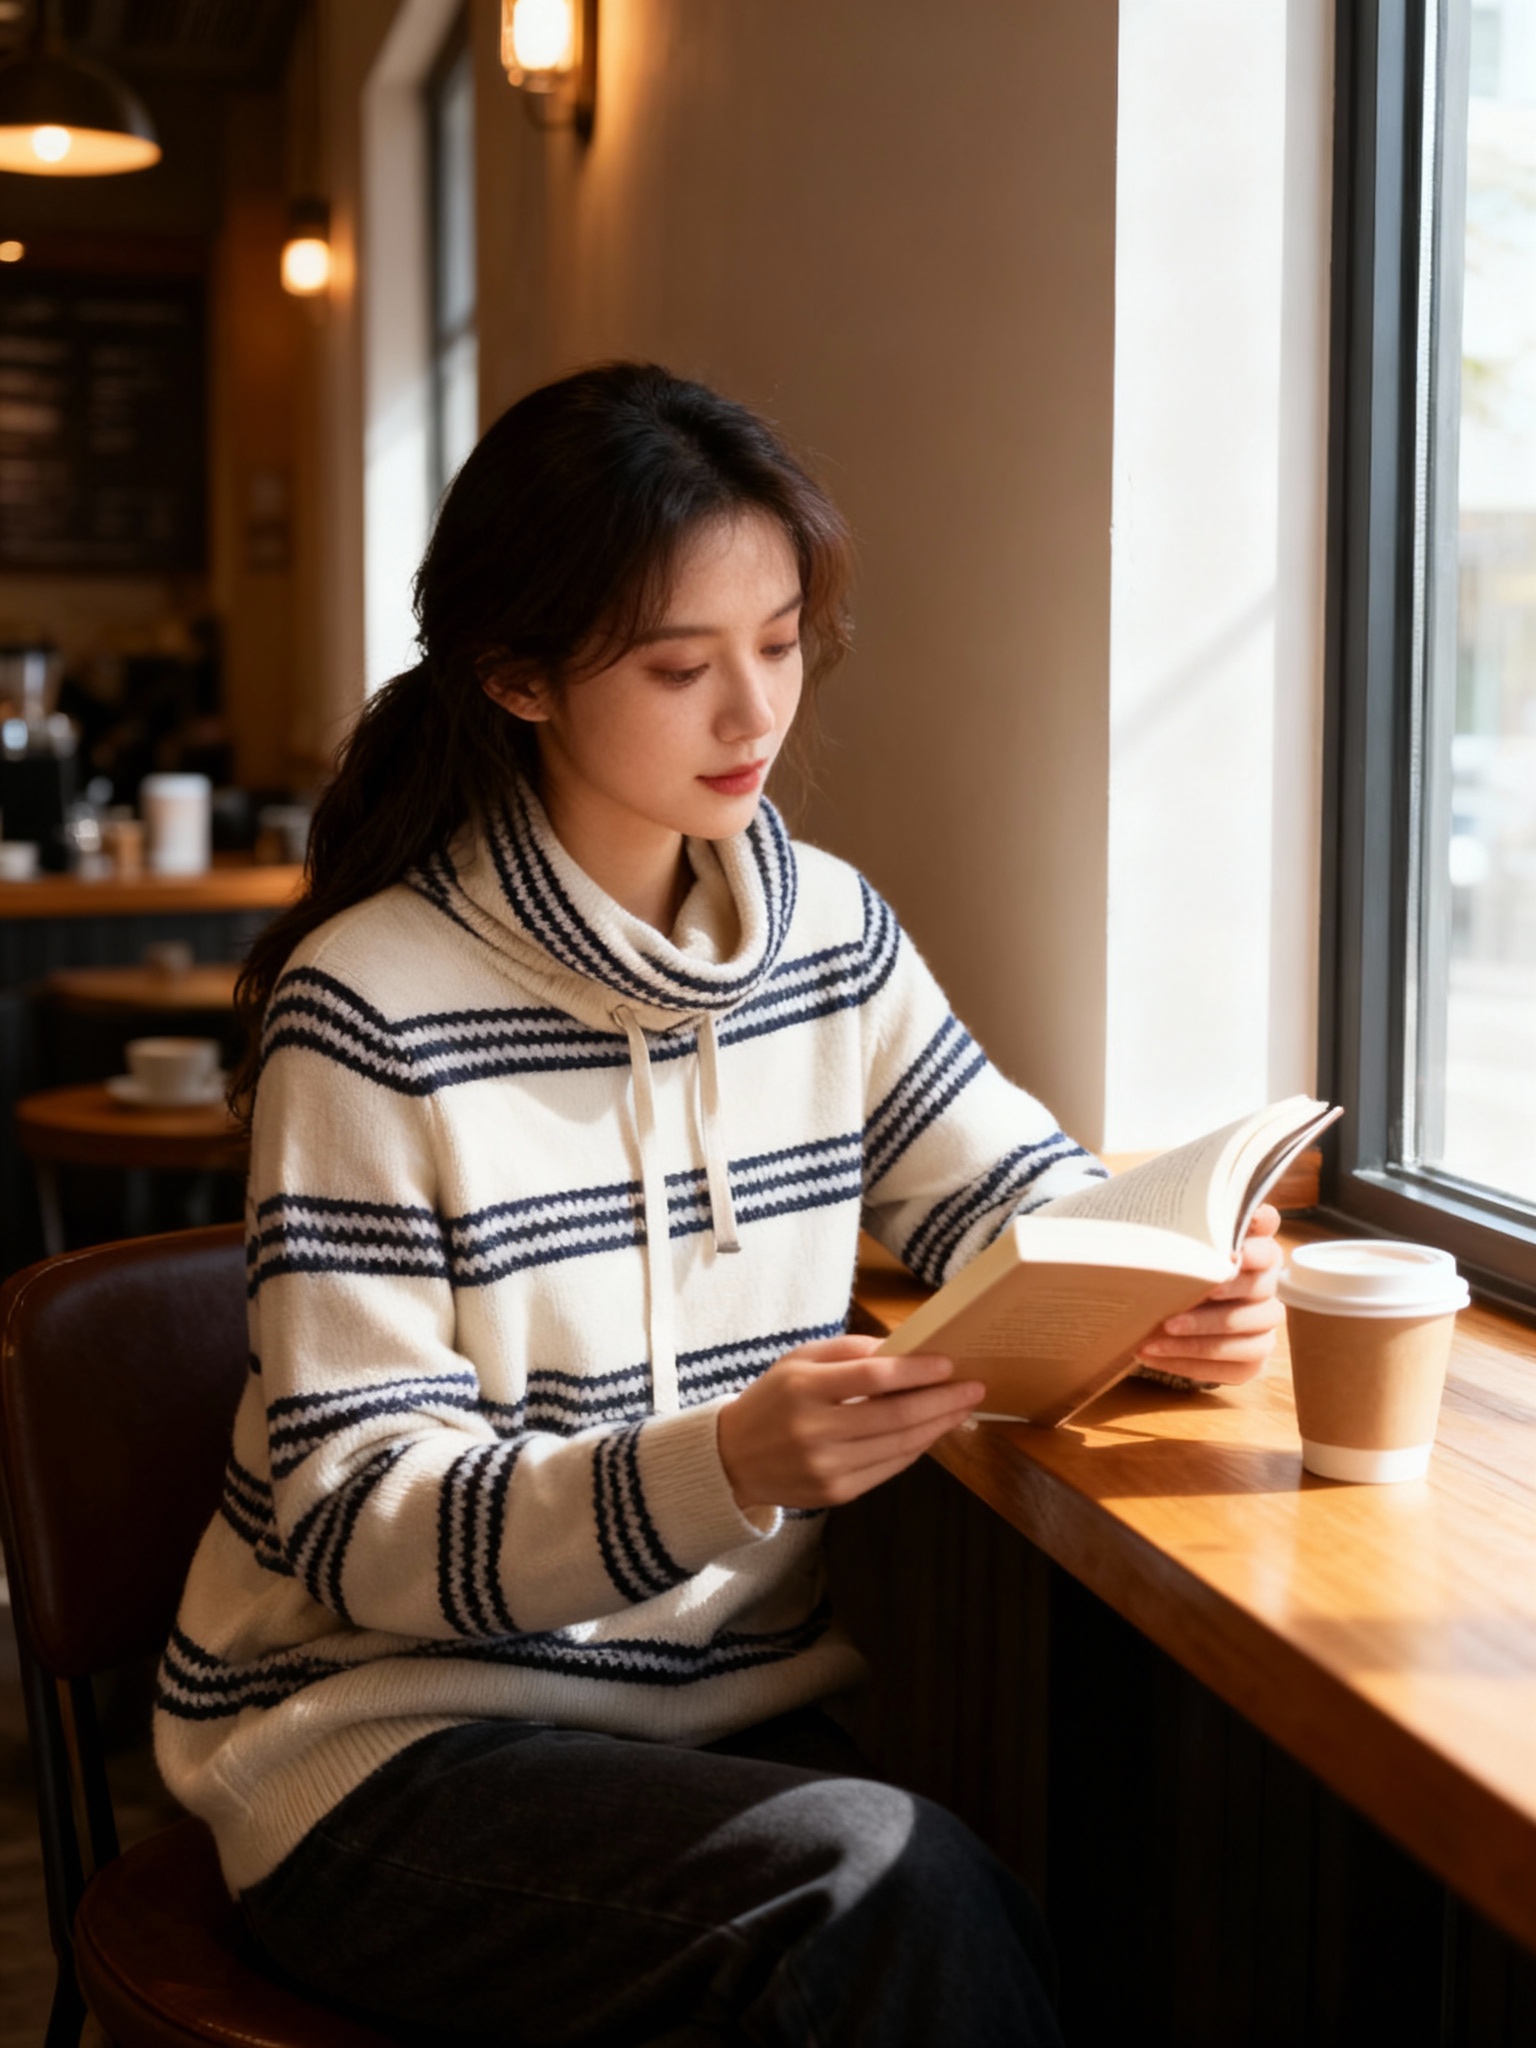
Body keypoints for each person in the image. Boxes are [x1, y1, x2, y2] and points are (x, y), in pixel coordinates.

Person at [155, 363, 1282, 2046]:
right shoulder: (368, 1007)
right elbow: (351, 1517)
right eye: (683, 667)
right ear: (517, 676)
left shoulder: (823, 938)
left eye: (778, 642)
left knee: (993, 1897)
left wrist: (1168, 1280)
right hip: (379, 1747)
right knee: (884, 1897)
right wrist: (726, 1465)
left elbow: (1004, 1189)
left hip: (712, 1728)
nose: (754, 715)